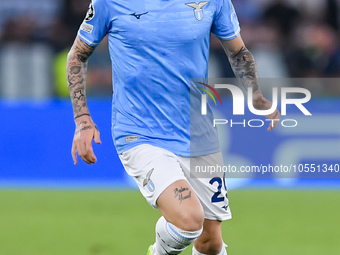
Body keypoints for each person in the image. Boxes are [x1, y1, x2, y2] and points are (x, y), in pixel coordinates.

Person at [66, 0, 280, 254]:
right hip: (140, 132)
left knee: (210, 242)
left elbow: (238, 51)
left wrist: (255, 94)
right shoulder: (109, 3)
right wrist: (83, 120)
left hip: (198, 133)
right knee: (189, 220)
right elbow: (77, 55)